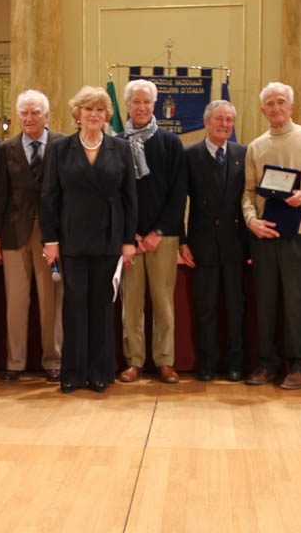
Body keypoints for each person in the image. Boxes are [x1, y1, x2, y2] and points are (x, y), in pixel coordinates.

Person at [41, 86, 137, 393]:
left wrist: (128, 240)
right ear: (77, 114)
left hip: (109, 237)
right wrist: (50, 239)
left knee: (102, 308)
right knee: (74, 307)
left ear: (107, 115)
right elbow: (49, 197)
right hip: (72, 238)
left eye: (99, 110)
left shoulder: (120, 148)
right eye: (88, 109)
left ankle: (100, 373)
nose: (94, 115)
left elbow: (130, 198)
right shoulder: (60, 148)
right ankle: (72, 373)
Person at [242, 81, 301, 389]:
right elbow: (248, 193)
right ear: (263, 110)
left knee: (296, 300)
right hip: (264, 232)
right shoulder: (256, 146)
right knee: (265, 301)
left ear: (291, 107)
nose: (276, 107)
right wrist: (251, 220)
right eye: (270, 103)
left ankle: (300, 366)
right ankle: (267, 363)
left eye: (281, 101)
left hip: (300, 231)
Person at [0, 90, 64, 382]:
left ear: (46, 116)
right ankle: (15, 362)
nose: (29, 118)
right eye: (24, 113)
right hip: (13, 233)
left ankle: (54, 361)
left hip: (51, 235)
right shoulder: (6, 147)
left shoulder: (61, 143)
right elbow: (0, 195)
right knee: (16, 301)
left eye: (35, 112)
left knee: (51, 301)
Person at [118, 79, 186, 384]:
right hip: (130, 240)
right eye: (136, 101)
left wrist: (158, 231)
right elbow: (115, 194)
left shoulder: (171, 143)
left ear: (155, 105)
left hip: (164, 236)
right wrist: (129, 234)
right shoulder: (117, 143)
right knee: (131, 304)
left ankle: (164, 361)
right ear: (127, 105)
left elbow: (178, 194)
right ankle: (134, 361)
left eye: (147, 102)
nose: (142, 107)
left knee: (163, 303)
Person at [179, 100, 248, 382]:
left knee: (235, 309)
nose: (224, 124)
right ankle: (206, 364)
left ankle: (235, 365)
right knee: (205, 309)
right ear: (207, 122)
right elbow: (178, 202)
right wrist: (182, 241)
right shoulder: (189, 155)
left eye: (229, 120)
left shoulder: (244, 153)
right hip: (202, 244)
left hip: (235, 244)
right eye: (219, 119)